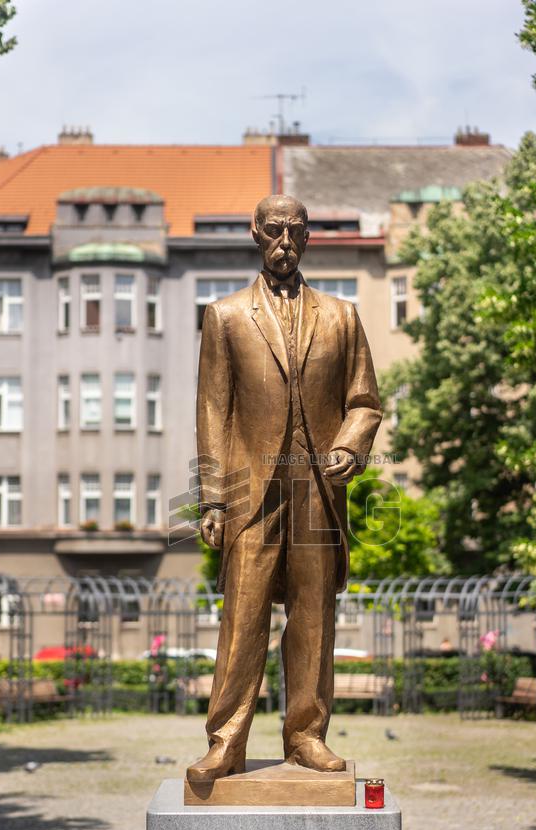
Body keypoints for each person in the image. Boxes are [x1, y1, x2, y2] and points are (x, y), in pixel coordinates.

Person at [187, 195, 382, 782]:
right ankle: (227, 741)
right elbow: (213, 411)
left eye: (296, 232)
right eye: (274, 230)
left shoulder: (343, 316)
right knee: (243, 617)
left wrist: (351, 444)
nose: (285, 242)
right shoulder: (224, 316)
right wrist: (214, 498)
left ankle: (306, 736)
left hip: (318, 492)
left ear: (308, 238)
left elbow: (365, 400)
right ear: (254, 232)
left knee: (314, 617)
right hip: (252, 491)